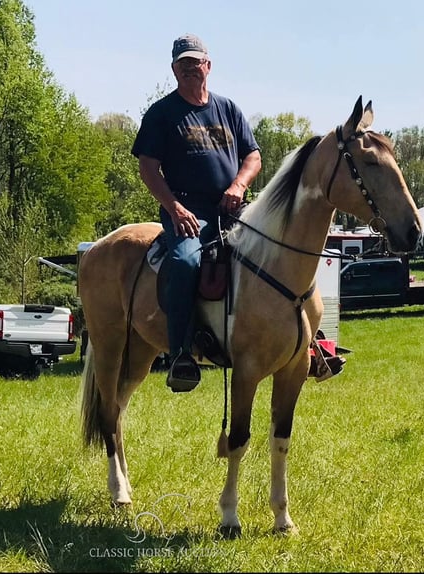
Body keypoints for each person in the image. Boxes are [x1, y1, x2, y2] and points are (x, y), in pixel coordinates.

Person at [132, 33, 262, 393]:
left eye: (196, 62)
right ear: (174, 69)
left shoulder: (228, 109)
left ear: (209, 65)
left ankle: (307, 343)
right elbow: (148, 168)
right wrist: (174, 207)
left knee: (277, 246)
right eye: (183, 63)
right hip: (188, 210)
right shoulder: (162, 114)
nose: (190, 68)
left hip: (232, 205)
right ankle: (180, 355)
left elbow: (253, 156)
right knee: (186, 261)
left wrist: (238, 186)